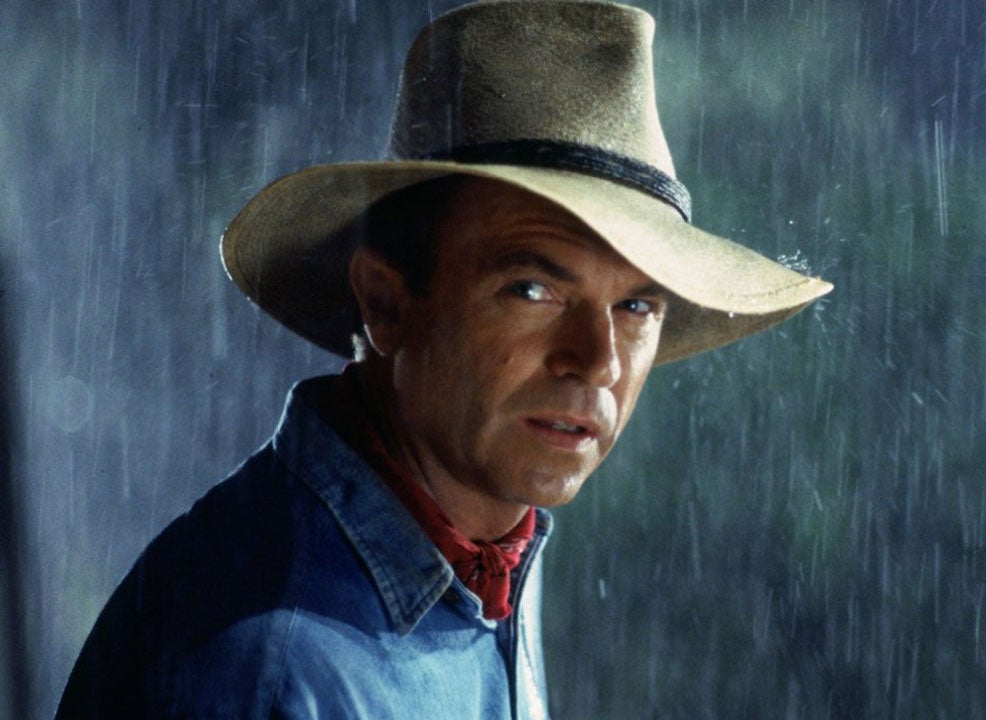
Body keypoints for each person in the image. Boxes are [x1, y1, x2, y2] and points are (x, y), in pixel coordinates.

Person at [55, 1, 832, 718]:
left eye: (637, 307)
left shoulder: (487, 548)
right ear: (386, 305)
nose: (598, 362)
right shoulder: (273, 671)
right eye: (533, 289)